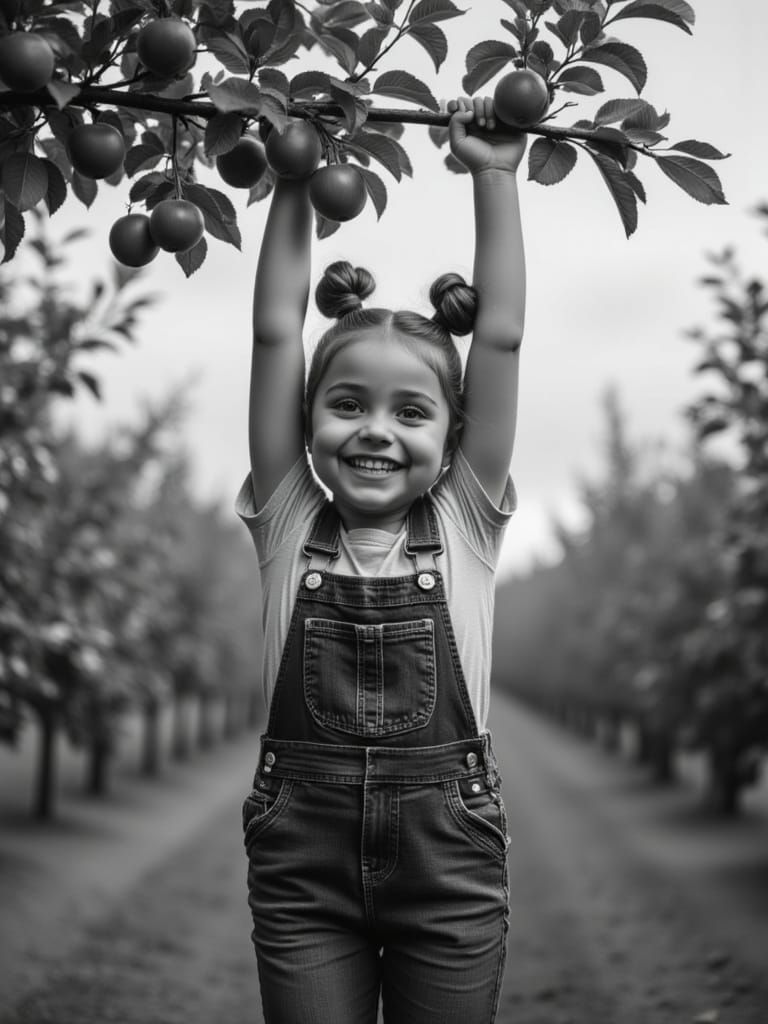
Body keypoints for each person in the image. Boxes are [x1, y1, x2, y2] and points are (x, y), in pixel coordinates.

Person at [235, 95, 527, 1024]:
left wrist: (493, 173)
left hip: (449, 866)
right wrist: (294, 184)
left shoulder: (467, 522)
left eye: (411, 413)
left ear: (453, 436)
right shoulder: (288, 518)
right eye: (348, 404)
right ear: (308, 419)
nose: (376, 430)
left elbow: (504, 336)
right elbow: (278, 331)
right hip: (303, 869)